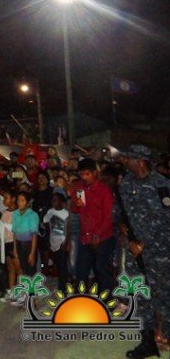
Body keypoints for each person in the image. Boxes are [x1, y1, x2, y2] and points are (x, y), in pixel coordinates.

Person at [118, 145, 170, 359]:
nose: (125, 160)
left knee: (164, 296)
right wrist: (122, 227)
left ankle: (166, 335)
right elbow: (120, 211)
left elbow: (165, 219)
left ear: (141, 161)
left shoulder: (162, 184)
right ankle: (148, 342)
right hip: (133, 253)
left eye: (129, 158)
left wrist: (143, 243)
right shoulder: (126, 183)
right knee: (140, 296)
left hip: (159, 253)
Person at [72, 157, 115, 294]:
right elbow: (79, 209)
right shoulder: (79, 188)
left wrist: (98, 234)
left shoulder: (104, 191)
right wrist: (75, 198)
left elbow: (108, 216)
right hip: (85, 236)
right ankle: (80, 301)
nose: (84, 177)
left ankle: (107, 303)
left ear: (94, 173)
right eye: (81, 174)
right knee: (81, 271)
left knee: (103, 273)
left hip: (102, 237)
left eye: (87, 174)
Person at [43, 188, 69, 291]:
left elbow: (68, 229)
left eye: (56, 200)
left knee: (63, 266)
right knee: (57, 264)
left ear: (61, 202)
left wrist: (66, 241)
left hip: (62, 242)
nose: (53, 202)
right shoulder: (50, 211)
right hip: (53, 241)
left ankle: (63, 287)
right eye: (52, 200)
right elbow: (46, 222)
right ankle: (62, 284)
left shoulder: (65, 213)